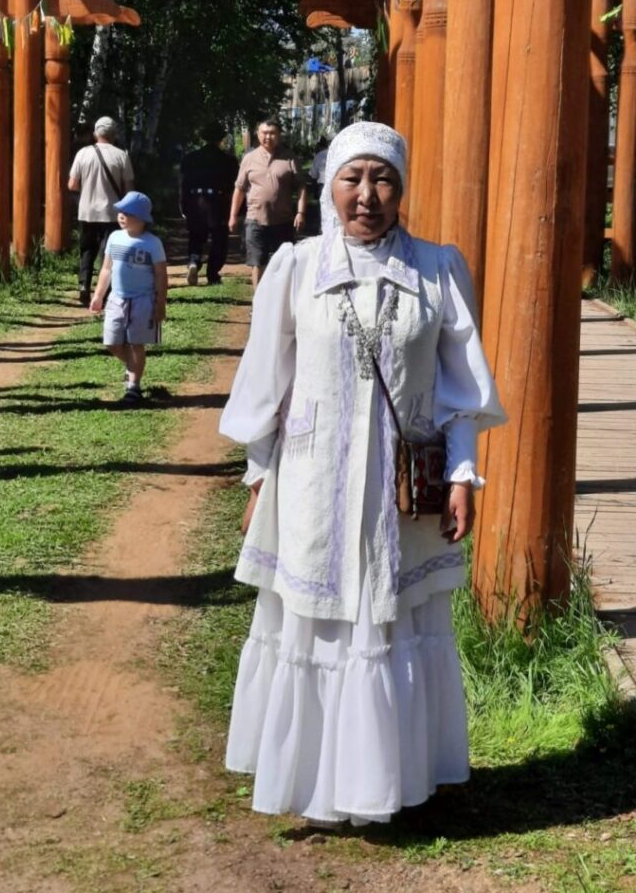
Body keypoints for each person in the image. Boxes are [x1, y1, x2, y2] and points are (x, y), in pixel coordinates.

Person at [219, 122, 507, 826]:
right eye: (353, 178)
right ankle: (314, 787)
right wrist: (259, 477)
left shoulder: (437, 270)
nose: (367, 196)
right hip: (312, 483)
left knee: (391, 619)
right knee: (316, 624)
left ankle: (388, 783)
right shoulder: (296, 267)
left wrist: (462, 475)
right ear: (330, 187)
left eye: (383, 180)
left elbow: (460, 391)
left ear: (401, 189)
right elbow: (267, 381)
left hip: (400, 494)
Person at [89, 191, 167, 406]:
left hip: (143, 301)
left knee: (136, 344)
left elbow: (161, 275)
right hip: (116, 299)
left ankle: (134, 386)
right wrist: (98, 295)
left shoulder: (152, 243)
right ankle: (133, 367)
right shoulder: (114, 237)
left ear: (141, 218)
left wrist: (160, 304)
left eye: (128, 213)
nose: (121, 215)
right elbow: (107, 269)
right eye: (120, 211)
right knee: (111, 342)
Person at [228, 119, 308, 290]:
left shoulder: (289, 158)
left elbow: (301, 187)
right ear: (258, 135)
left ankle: (280, 299)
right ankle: (258, 300)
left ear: (279, 135)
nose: (268, 137)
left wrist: (301, 213)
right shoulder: (249, 158)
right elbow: (239, 189)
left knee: (284, 262)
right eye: (264, 133)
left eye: (272, 133)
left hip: (283, 220)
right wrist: (233, 216)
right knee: (258, 262)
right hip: (255, 219)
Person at [69, 116, 134, 306]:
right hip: (113, 213)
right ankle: (105, 291)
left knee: (87, 250)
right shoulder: (121, 155)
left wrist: (87, 188)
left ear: (95, 133)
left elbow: (72, 184)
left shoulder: (83, 154)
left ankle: (84, 285)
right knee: (109, 252)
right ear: (114, 135)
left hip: (87, 212)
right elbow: (129, 189)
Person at [179, 122, 239, 286]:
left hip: (195, 201)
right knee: (219, 239)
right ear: (221, 139)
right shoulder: (229, 161)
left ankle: (194, 261)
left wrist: (183, 204)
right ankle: (213, 273)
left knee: (196, 236)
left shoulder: (190, 159)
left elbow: (183, 184)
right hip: (218, 203)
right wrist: (235, 210)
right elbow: (235, 186)